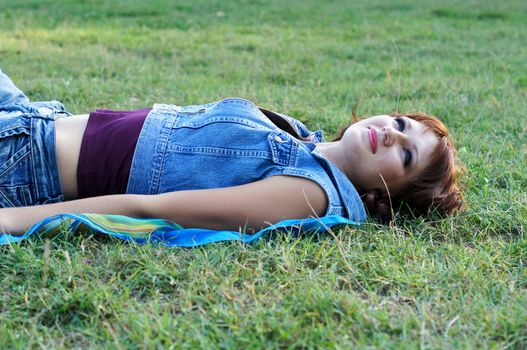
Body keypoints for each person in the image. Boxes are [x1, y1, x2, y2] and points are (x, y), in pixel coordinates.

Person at [0, 69, 463, 236]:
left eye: (406, 157)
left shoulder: (309, 192)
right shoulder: (303, 142)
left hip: (23, 164)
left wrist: (12, 221)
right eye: (402, 125)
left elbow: (152, 210)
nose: (391, 134)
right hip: (33, 118)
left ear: (388, 194)